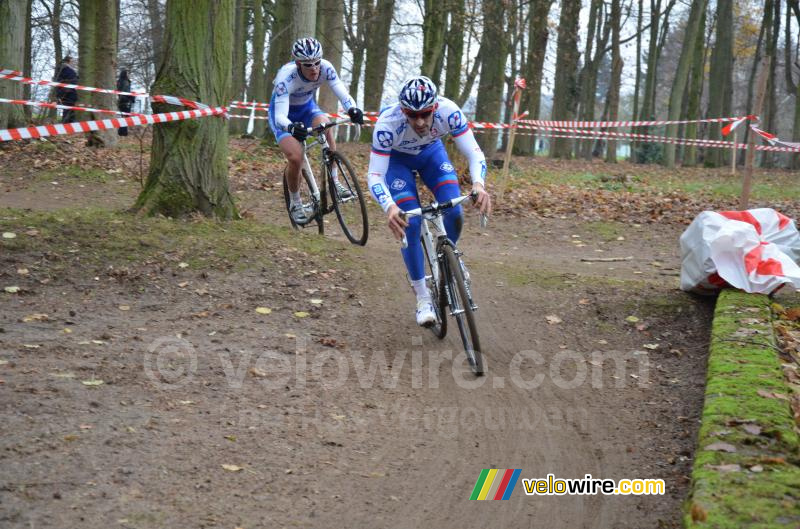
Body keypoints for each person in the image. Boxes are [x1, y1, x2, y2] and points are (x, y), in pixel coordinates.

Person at [366, 76, 491, 326]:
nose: (420, 121)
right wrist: (390, 207)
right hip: (397, 163)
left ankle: (450, 258)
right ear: (403, 111)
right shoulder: (387, 124)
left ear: (435, 107)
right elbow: (375, 175)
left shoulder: (449, 111)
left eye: (425, 114)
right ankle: (423, 297)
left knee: (454, 210)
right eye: (412, 115)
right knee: (410, 223)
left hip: (432, 154)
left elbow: (474, 152)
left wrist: (478, 184)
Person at [269, 37, 364, 225]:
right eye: (308, 65)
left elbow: (342, 93)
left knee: (326, 127)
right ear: (298, 64)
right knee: (296, 157)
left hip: (307, 109)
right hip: (284, 116)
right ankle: (296, 203)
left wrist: (353, 109)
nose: (314, 68)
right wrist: (290, 127)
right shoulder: (285, 78)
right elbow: (280, 116)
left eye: (317, 63)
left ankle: (335, 182)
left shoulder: (326, 68)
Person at [55, 56, 78, 124]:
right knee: (68, 110)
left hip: (65, 91)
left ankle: (69, 124)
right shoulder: (67, 69)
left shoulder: (63, 69)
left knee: (69, 109)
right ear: (69, 61)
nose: (74, 63)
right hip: (68, 92)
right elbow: (72, 80)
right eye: (72, 61)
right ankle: (66, 124)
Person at [116, 69, 135, 136]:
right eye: (128, 73)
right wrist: (132, 97)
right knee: (126, 117)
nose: (129, 75)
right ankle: (123, 132)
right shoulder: (125, 82)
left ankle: (121, 132)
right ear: (125, 74)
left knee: (123, 117)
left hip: (121, 101)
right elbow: (126, 93)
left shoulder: (119, 81)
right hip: (126, 101)